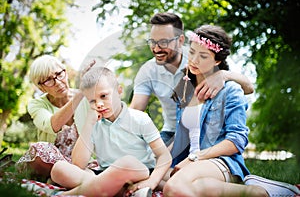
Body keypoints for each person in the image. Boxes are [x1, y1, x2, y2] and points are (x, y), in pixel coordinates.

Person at [162, 24, 300, 197]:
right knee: (144, 175)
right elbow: (182, 136)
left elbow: (236, 140)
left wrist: (194, 158)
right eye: (192, 52)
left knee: (173, 188)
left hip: (219, 162)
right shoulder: (184, 90)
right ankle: (256, 192)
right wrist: (161, 158)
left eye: (203, 55)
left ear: (217, 61)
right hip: (191, 164)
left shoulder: (230, 90)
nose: (194, 60)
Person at [130, 12, 254, 147]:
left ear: (180, 40)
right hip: (173, 131)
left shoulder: (199, 57)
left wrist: (223, 75)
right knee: (148, 160)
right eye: (152, 41)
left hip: (205, 132)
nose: (156, 48)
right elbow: (136, 110)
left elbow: (247, 88)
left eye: (164, 42)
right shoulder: (148, 71)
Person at [50, 66, 172, 197]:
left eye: (104, 96)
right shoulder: (94, 124)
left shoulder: (139, 119)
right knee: (58, 169)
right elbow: (78, 164)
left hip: (138, 171)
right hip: (105, 173)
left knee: (127, 162)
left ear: (119, 91)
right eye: (92, 101)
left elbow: (164, 156)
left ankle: (72, 193)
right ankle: (118, 190)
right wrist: (89, 124)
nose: (99, 104)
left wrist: (152, 181)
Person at [16, 55, 85, 181]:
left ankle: (73, 178)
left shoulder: (85, 98)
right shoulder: (36, 104)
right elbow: (52, 125)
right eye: (48, 80)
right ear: (41, 87)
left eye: (59, 74)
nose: (58, 82)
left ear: (66, 73)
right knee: (39, 149)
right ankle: (68, 178)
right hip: (50, 164)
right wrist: (80, 94)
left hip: (79, 162)